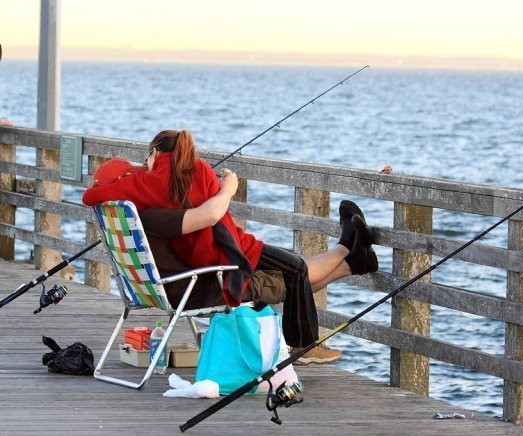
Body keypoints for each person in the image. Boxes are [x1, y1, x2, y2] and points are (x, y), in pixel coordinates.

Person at [83, 130, 378, 364]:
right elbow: (210, 215)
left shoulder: (135, 202)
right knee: (295, 272)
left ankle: (354, 260)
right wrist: (229, 187)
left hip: (185, 274)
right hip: (219, 264)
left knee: (294, 273)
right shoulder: (171, 190)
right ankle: (343, 255)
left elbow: (95, 194)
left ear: (157, 154)